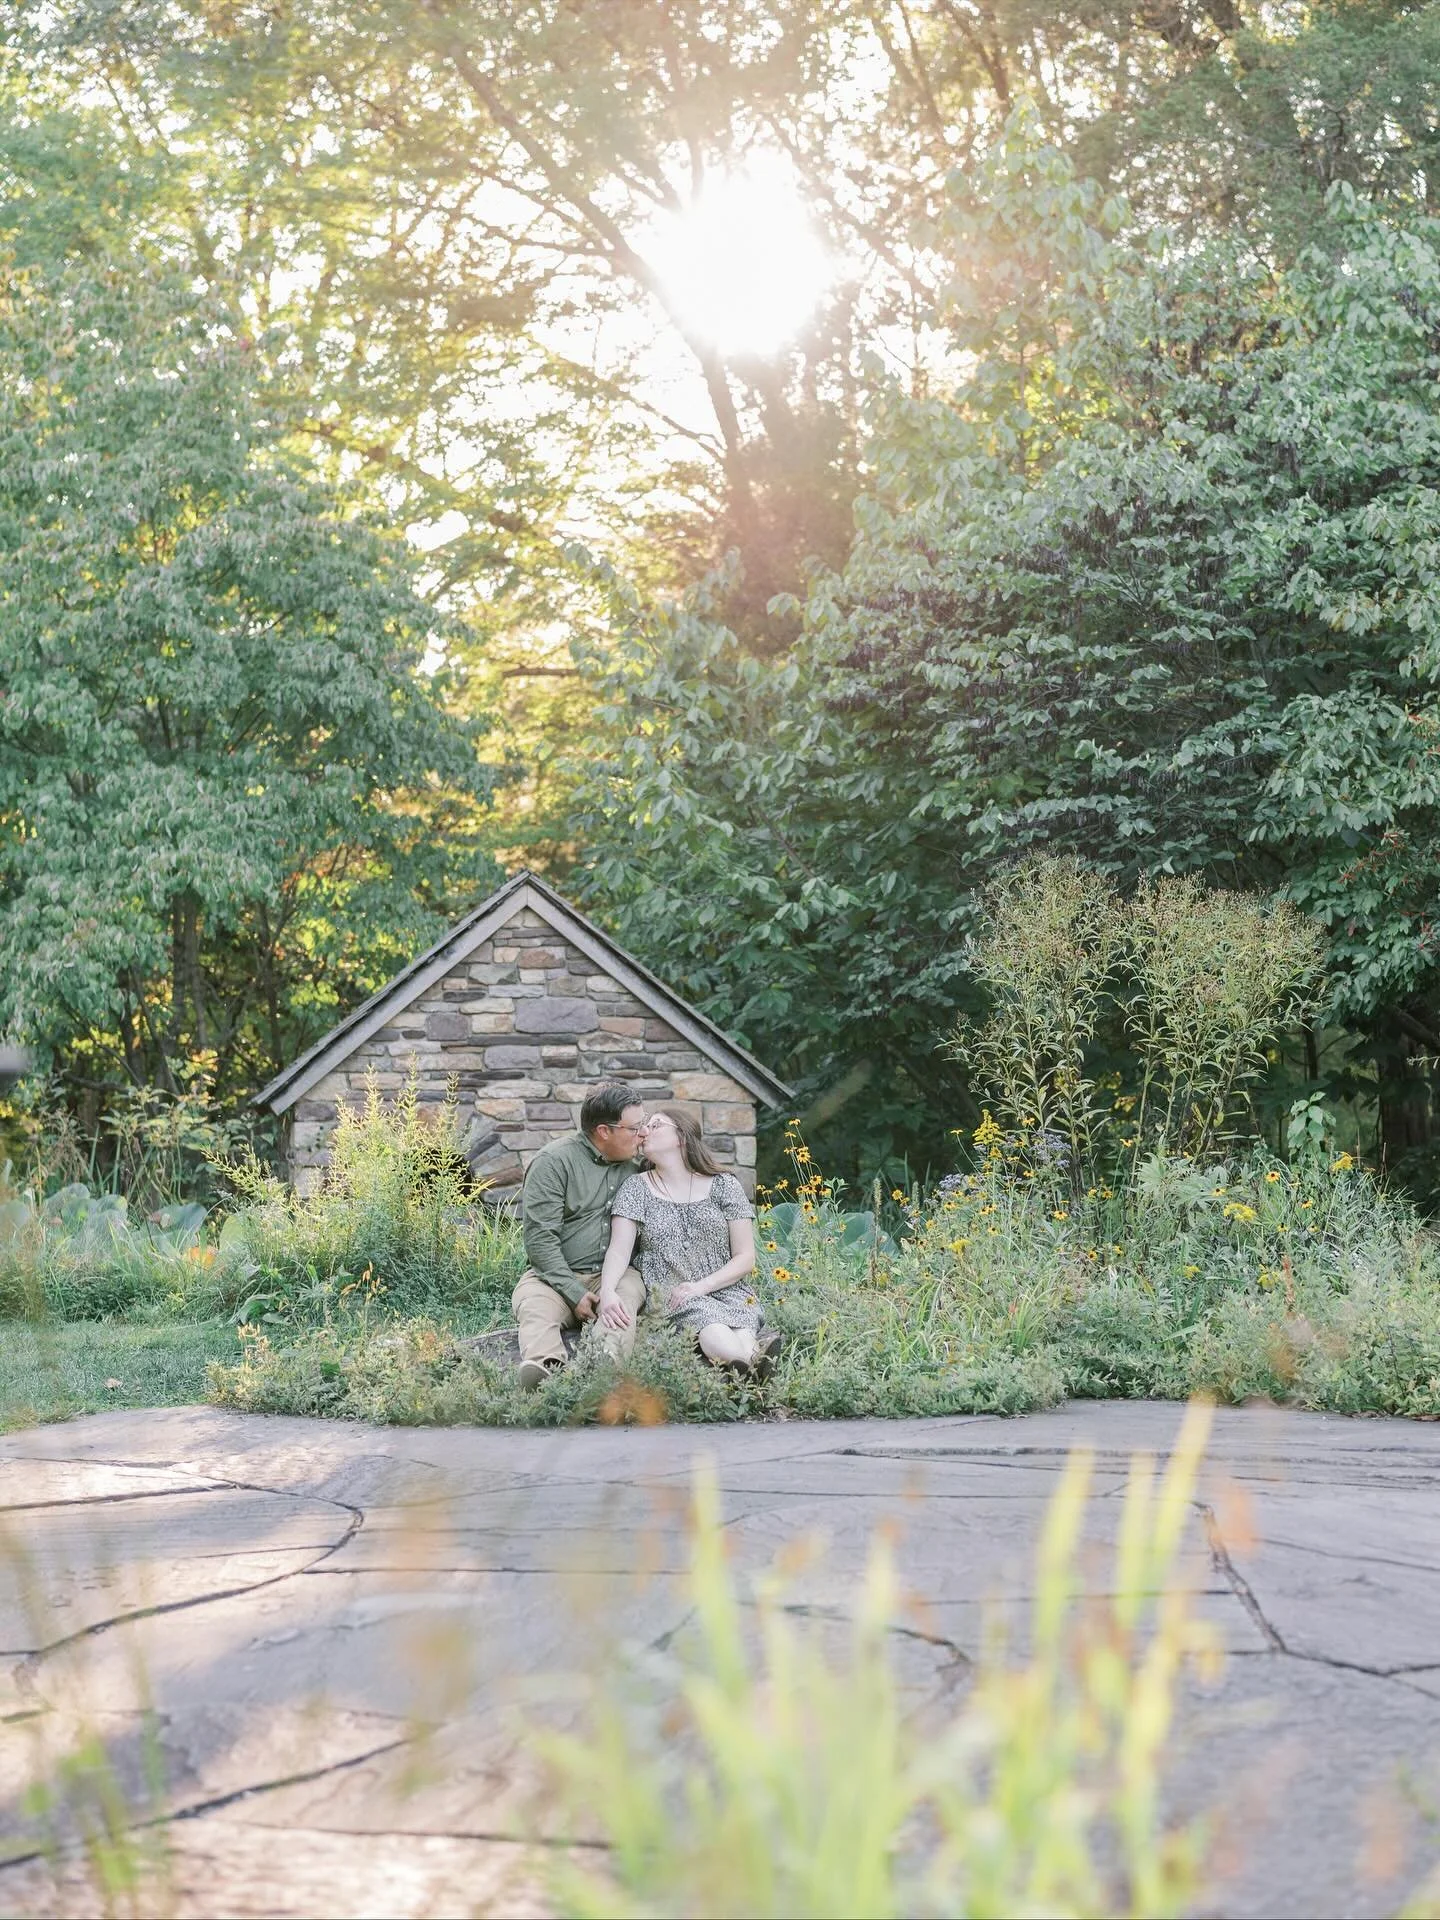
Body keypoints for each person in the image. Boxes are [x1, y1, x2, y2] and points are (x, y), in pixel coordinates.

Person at [599, 1106, 781, 1376]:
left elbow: (745, 1257)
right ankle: (756, 1368)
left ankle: (748, 1369)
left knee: (743, 1330)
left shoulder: (724, 1185)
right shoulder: (636, 1188)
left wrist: (703, 1286)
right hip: (675, 1295)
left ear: (681, 1138)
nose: (645, 1131)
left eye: (656, 1125)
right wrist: (607, 1291)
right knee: (712, 1326)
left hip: (728, 1290)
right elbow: (618, 1250)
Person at [514, 1083, 647, 1390]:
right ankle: (545, 1372)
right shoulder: (554, 1162)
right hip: (554, 1276)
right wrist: (573, 1292)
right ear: (604, 1131)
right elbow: (540, 1240)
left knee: (624, 1300)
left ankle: (602, 1368)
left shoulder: (641, 1166)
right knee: (535, 1306)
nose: (642, 1134)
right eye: (635, 1127)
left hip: (615, 1275)